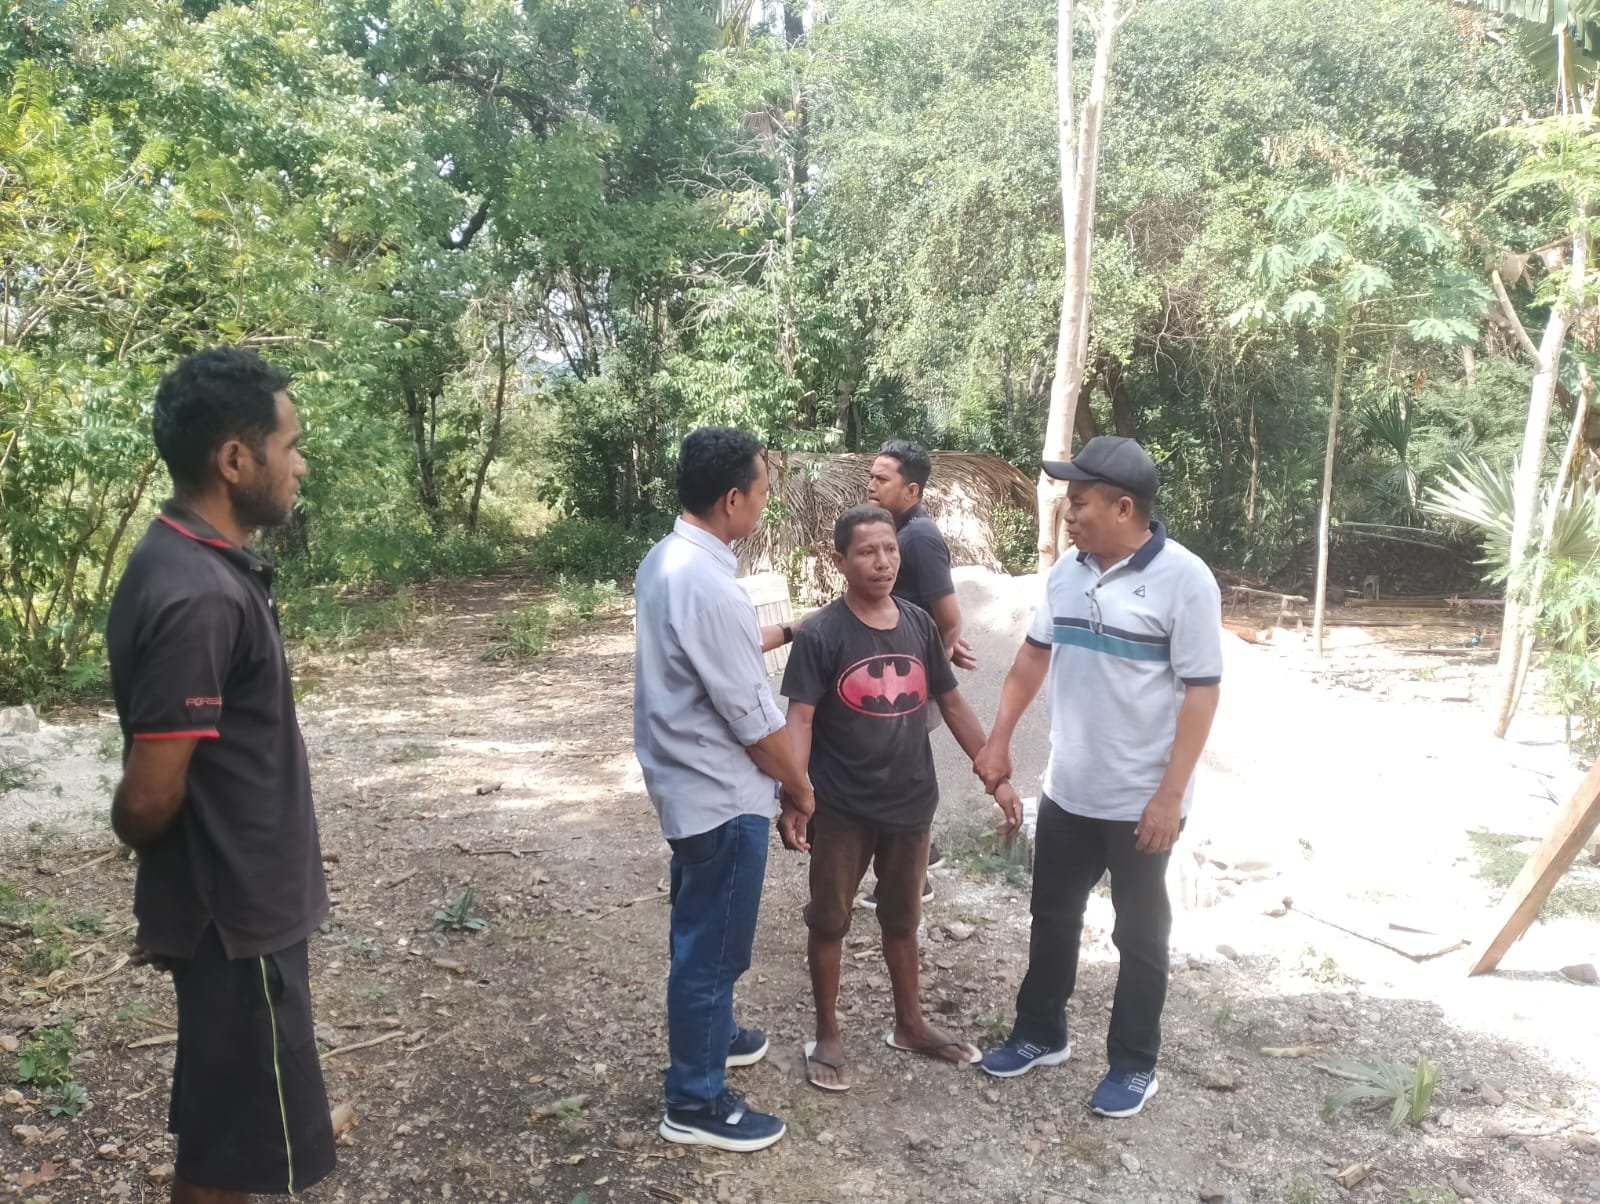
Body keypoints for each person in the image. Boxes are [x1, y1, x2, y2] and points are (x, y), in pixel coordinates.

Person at [107, 347, 333, 1203]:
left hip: (238, 913)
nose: (299, 464)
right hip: (235, 922)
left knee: (225, 1137)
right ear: (235, 459)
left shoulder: (195, 561)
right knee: (230, 1152)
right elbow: (149, 794)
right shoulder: (197, 591)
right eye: (290, 445)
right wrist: (176, 865)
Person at [973, 436, 1222, 1119]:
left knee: (1139, 937)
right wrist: (999, 738)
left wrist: (1170, 795)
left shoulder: (1185, 580)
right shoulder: (1068, 572)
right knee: (1052, 917)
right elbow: (1032, 657)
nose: (1069, 513)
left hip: (1142, 801)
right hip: (1069, 791)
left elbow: (1201, 693)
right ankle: (1040, 1034)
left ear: (1123, 507)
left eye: (1079, 502)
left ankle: (1135, 1064)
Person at [779, 505, 1023, 1092]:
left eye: (890, 549)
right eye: (866, 552)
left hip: (911, 802)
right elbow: (800, 719)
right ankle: (828, 1033)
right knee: (830, 920)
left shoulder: (917, 623)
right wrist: (794, 793)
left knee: (902, 918)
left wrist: (995, 774)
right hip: (841, 808)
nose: (882, 562)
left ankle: (910, 1022)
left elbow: (953, 703)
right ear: (839, 562)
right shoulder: (821, 633)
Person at [633, 426, 817, 1153]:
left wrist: (792, 630)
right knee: (711, 950)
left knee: (700, 928)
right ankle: (695, 1100)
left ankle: (716, 1034)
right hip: (720, 794)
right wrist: (800, 788)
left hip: (687, 785)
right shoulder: (708, 585)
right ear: (733, 499)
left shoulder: (667, 560)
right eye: (763, 492)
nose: (766, 504)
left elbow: (715, 651)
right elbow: (754, 720)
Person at [864, 439, 975, 903]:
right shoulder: (900, 532)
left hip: (904, 684)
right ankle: (923, 856)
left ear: (912, 490)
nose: (871, 485)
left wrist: (931, 670)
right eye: (871, 476)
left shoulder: (919, 538)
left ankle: (910, 881)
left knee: (893, 777)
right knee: (902, 771)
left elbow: (949, 618)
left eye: (882, 478)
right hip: (892, 675)